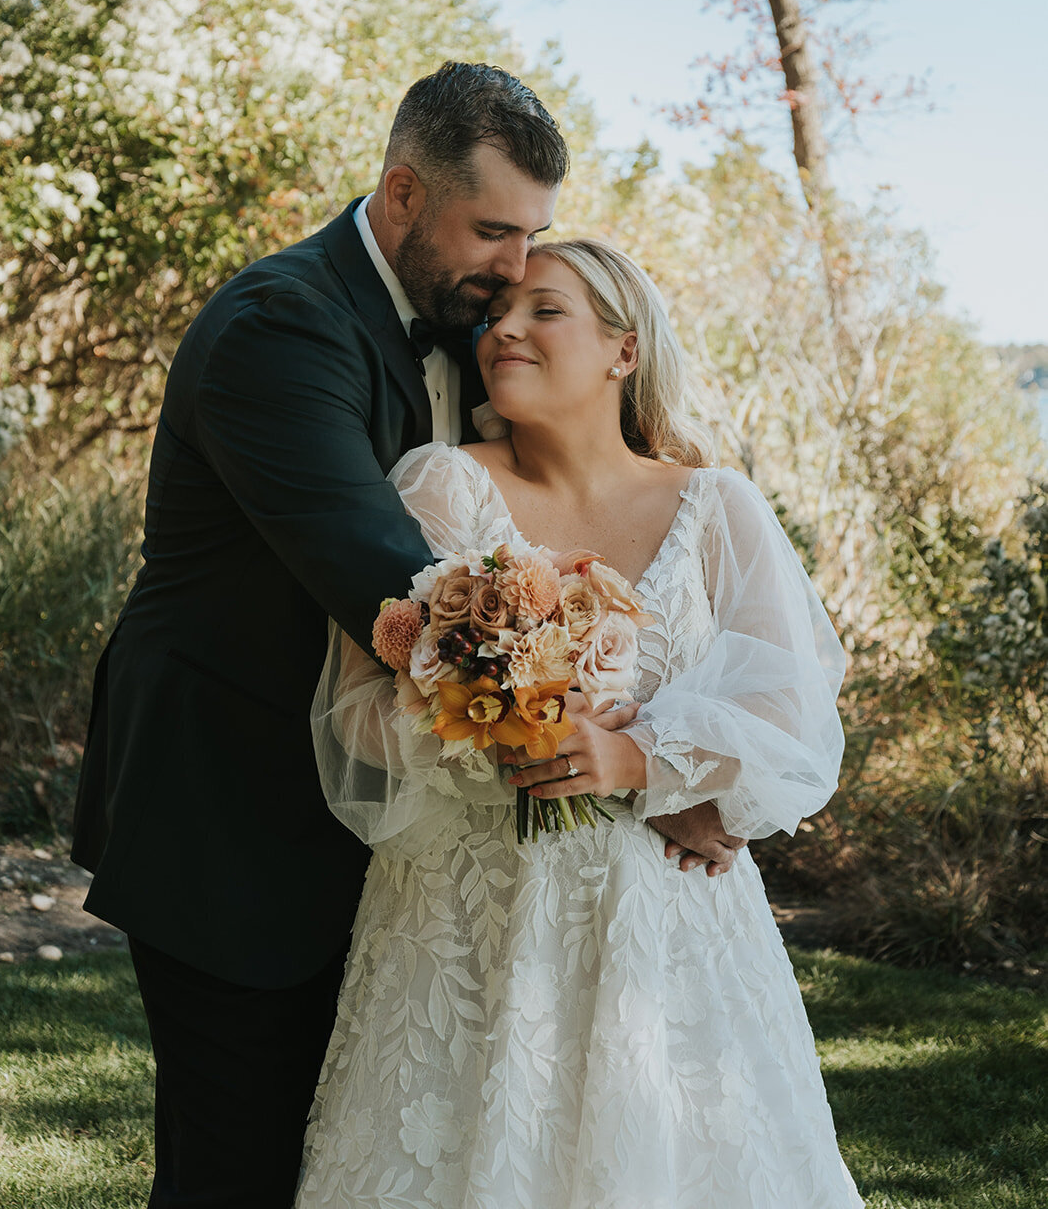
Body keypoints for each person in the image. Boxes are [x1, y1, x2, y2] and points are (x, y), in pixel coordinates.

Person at [70, 61, 572, 1209]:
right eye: (493, 231)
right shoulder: (281, 327)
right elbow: (398, 591)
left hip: (376, 823)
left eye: (534, 235)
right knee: (236, 1168)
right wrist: (618, 749)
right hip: (230, 812)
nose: (517, 267)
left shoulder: (468, 326)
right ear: (402, 194)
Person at [299, 239, 863, 1209]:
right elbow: (363, 710)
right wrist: (520, 729)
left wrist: (646, 762)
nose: (502, 331)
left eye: (543, 310)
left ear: (624, 350)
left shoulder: (716, 505)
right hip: (476, 926)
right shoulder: (442, 486)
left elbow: (791, 710)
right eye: (493, 315)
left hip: (671, 930)